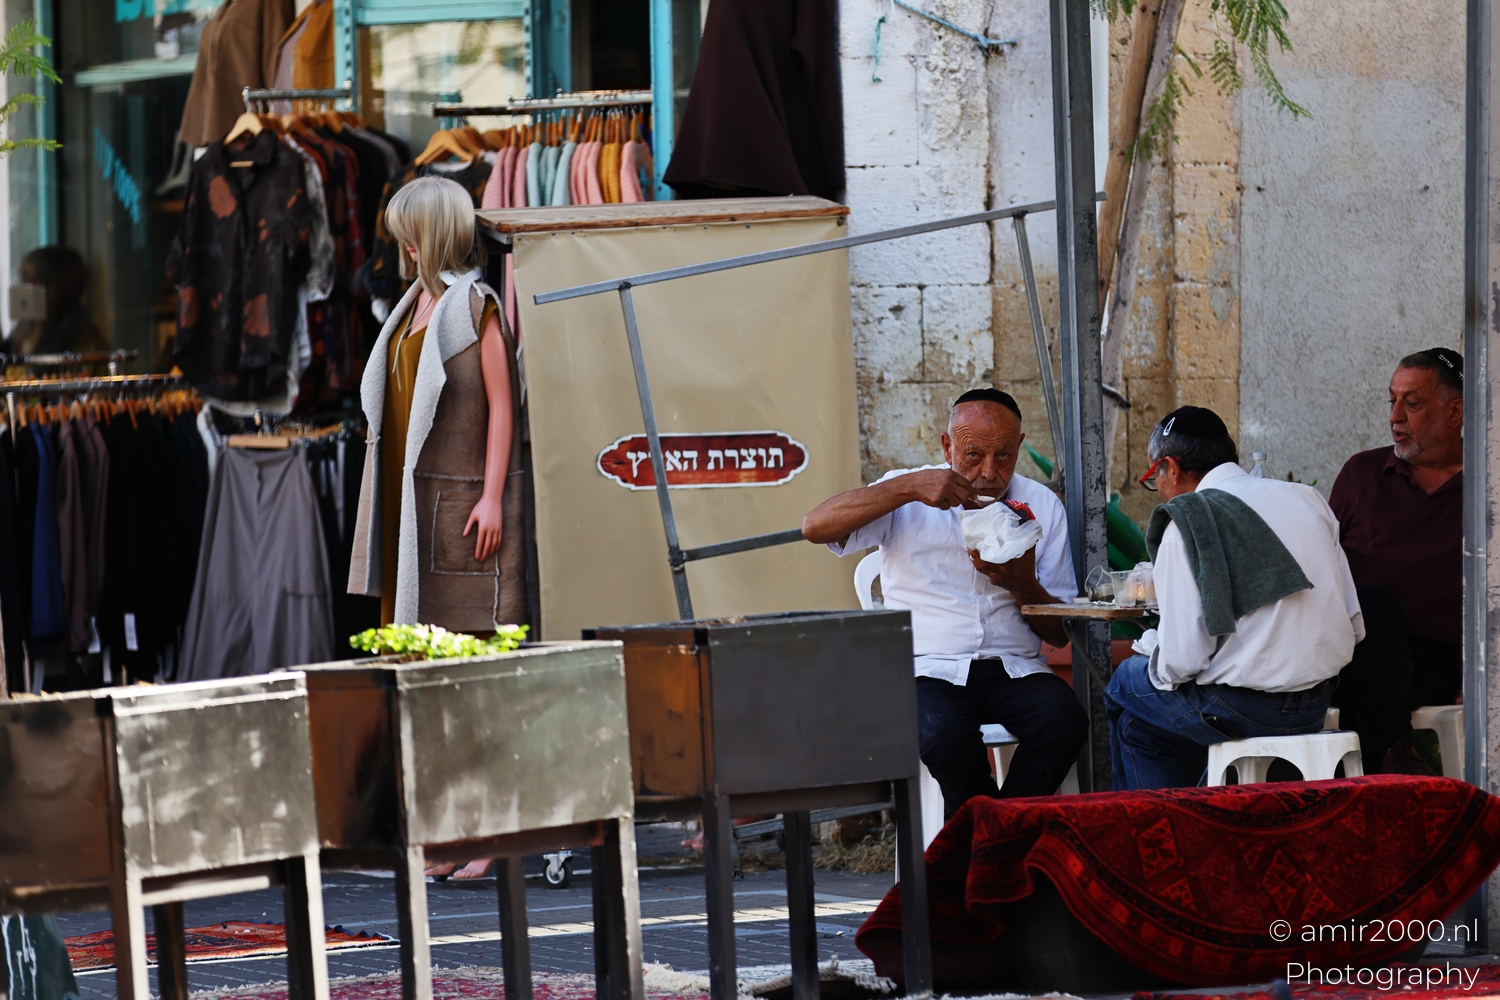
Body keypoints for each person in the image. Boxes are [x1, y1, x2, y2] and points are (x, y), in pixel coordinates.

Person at [346, 176, 524, 880]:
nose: (399, 243)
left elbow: (503, 404)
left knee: (472, 680)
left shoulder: (471, 305)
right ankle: (449, 830)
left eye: (406, 231)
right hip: (408, 523)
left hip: (455, 520)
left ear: (429, 234)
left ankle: (492, 832)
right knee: (424, 682)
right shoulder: (414, 308)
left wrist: (492, 497)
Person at [802, 388, 1086, 818]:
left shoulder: (1041, 505)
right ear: (947, 445)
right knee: (944, 733)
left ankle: (986, 837)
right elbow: (814, 526)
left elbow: (1057, 634)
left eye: (1004, 456)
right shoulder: (911, 494)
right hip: (927, 668)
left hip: (1013, 667)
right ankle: (998, 842)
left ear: (1020, 447)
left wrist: (1022, 584)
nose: (989, 472)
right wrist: (907, 487)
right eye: (973, 455)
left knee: (1065, 723)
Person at [1105, 406, 1364, 790]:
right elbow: (1354, 625)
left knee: (1125, 685)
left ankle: (1158, 832)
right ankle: (1208, 802)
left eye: (1152, 477)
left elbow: (1183, 661)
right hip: (1314, 705)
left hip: (1242, 710)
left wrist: (1154, 654)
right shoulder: (1308, 499)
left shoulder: (1188, 521)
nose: (1156, 488)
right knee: (1139, 726)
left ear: (1171, 468)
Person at [1329, 349, 1463, 775]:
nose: (1395, 417)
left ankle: (1386, 769)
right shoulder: (1361, 474)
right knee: (1373, 606)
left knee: (1374, 625)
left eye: (1413, 403)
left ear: (1455, 412)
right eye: (1392, 400)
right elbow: (1321, 569)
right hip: (1353, 652)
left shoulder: (1488, 485)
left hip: (1441, 662)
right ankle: (1395, 755)